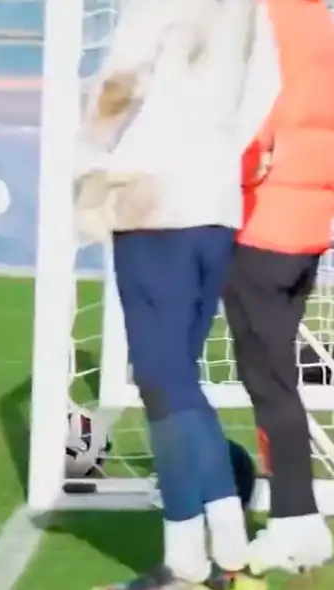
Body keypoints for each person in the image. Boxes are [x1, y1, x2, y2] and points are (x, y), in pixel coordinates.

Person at [75, 1, 264, 588]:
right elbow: (263, 89)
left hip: (154, 195)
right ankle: (229, 555)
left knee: (162, 378)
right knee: (177, 378)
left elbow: (121, 79)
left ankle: (186, 563)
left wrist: (87, 157)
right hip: (216, 197)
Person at [224, 0, 334, 575]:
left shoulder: (259, 13)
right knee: (275, 378)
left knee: (268, 381)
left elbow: (253, 115)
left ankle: (295, 521)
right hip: (309, 219)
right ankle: (299, 517)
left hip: (264, 218)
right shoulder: (315, 16)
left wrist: (229, 180)